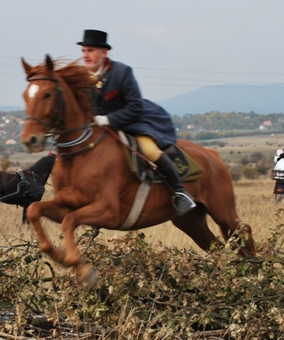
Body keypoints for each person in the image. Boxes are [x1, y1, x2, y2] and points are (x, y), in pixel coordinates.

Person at [78, 29, 196, 215]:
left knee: (150, 151)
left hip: (132, 122)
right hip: (100, 129)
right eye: (84, 50)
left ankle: (180, 193)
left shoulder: (121, 72)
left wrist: (108, 119)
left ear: (104, 52)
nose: (86, 55)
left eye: (90, 50)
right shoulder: (81, 76)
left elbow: (135, 106)